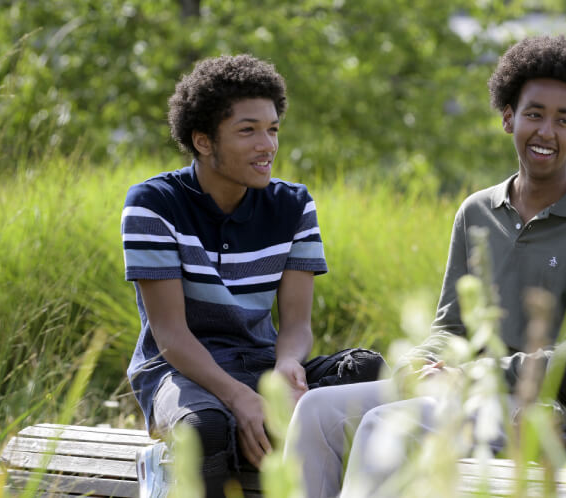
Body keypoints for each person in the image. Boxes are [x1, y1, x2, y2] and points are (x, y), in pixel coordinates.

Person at [284, 35, 566, 498]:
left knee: (387, 425)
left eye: (564, 120)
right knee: (317, 410)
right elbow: (451, 324)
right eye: (534, 114)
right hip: (457, 390)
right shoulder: (476, 212)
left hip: (537, 406)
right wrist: (418, 363)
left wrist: (478, 374)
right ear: (508, 118)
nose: (547, 131)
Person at [121, 54, 384, 498]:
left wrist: (286, 368)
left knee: (366, 372)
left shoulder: (293, 206)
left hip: (259, 363)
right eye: (248, 130)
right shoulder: (153, 204)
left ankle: (242, 444)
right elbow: (171, 337)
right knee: (204, 429)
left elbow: (297, 326)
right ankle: (179, 460)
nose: (268, 145)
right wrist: (241, 399)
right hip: (180, 373)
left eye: (273, 128)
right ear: (203, 141)